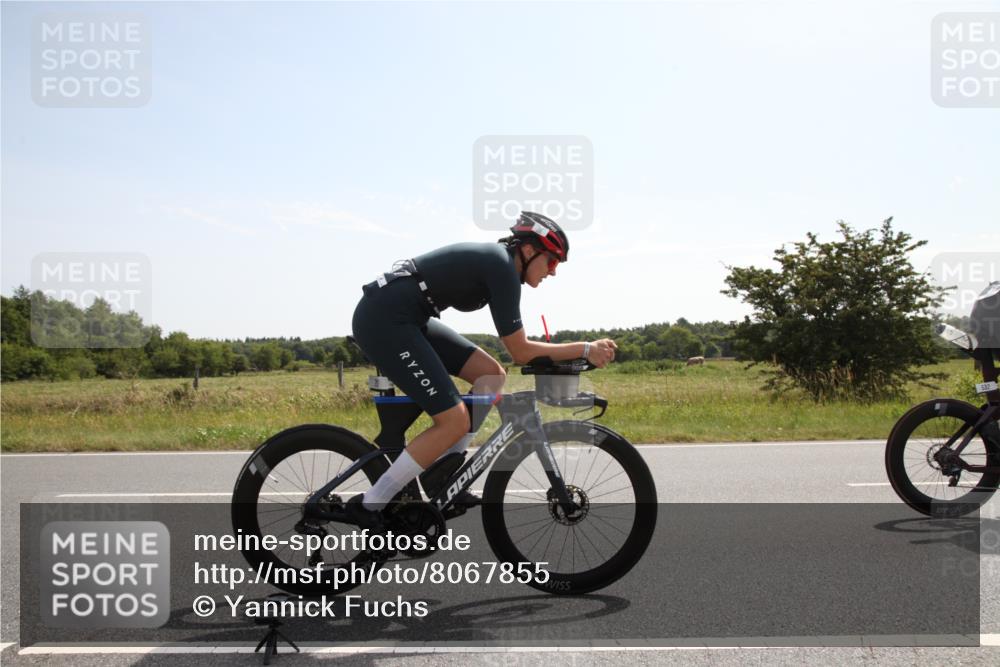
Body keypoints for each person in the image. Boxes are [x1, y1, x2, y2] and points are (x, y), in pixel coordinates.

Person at [348, 211, 617, 526]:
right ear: (529, 251)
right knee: (453, 421)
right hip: (385, 319)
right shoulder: (501, 266)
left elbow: (515, 354)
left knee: (490, 376)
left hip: (409, 316)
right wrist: (585, 348)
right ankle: (369, 505)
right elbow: (520, 351)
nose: (553, 272)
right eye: (553, 262)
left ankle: (445, 474)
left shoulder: (502, 266)